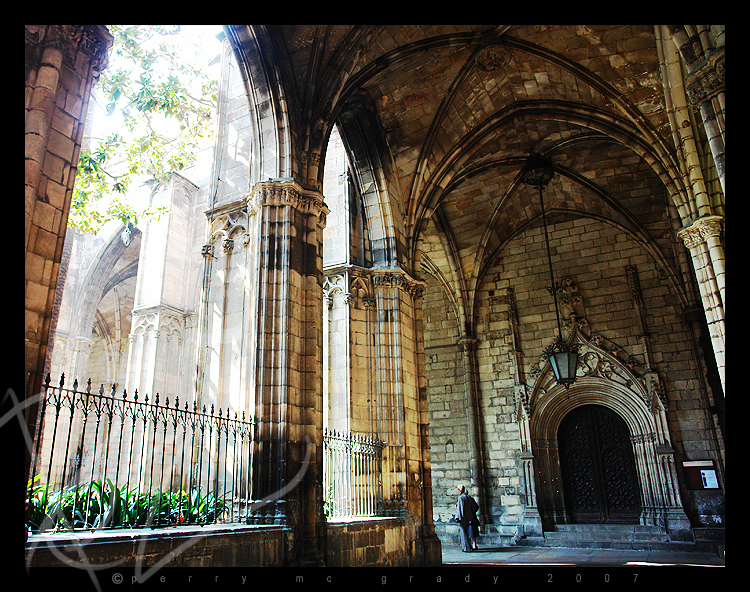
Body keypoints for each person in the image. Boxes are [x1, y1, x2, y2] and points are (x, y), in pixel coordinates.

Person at [455, 485, 480, 552]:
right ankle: (468, 547)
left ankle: (466, 548)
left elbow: (461, 509)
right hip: (469, 517)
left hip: (463, 518)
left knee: (464, 534)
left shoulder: (461, 498)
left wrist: (458, 517)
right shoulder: (468, 497)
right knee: (467, 533)